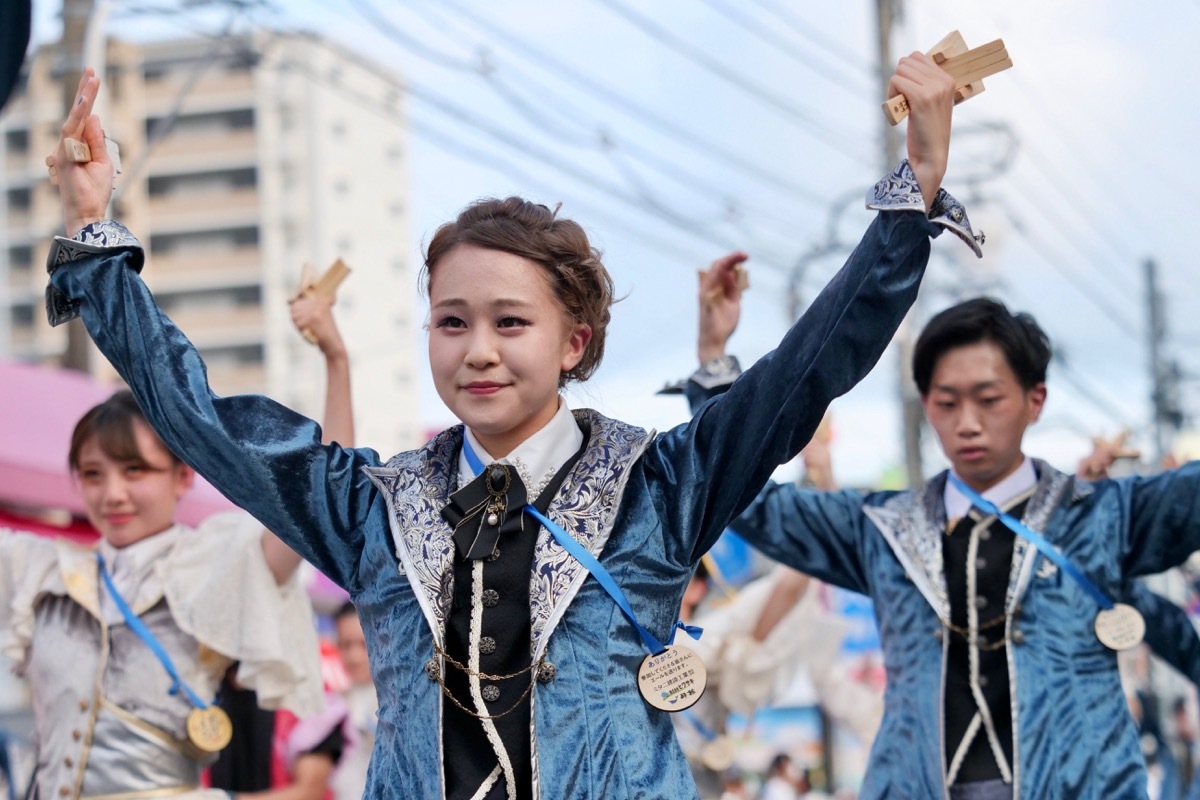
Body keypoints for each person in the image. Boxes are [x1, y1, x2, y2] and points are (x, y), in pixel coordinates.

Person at [45, 56, 979, 798]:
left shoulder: (664, 484)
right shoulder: (370, 508)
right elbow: (200, 420)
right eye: (451, 322)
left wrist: (913, 200)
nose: (478, 351)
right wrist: (98, 247)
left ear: (575, 341)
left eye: (510, 322)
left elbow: (805, 371)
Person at [687, 294, 1200, 798]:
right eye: (947, 402)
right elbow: (747, 497)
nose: (967, 422)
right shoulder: (883, 529)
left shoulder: (1103, 515)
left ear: (1034, 400)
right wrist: (714, 367)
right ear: (927, 404)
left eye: (989, 399)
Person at [0, 389, 324, 800]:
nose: (113, 494)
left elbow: (308, 513)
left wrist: (336, 363)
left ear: (182, 475)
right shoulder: (44, 570)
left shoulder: (216, 564)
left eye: (134, 470)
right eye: (93, 474)